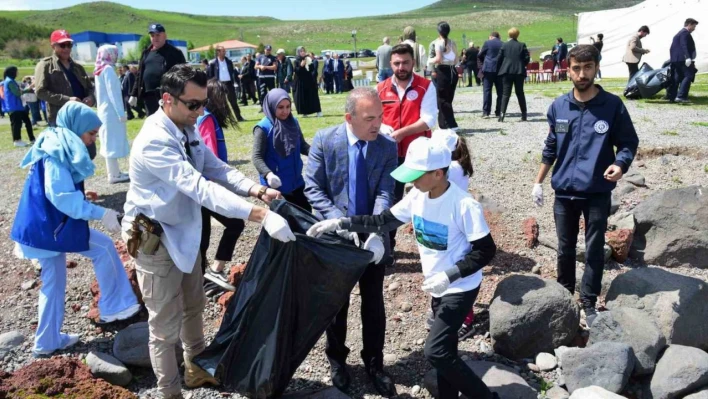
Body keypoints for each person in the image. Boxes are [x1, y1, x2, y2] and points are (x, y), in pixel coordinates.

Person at [122, 64, 296, 399]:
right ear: (167, 99)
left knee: (194, 305)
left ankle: (195, 369)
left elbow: (214, 168)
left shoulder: (184, 127)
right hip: (156, 242)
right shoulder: (154, 140)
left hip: (184, 234)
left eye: (203, 104)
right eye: (193, 104)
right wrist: (259, 215)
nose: (200, 110)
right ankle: (169, 391)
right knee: (163, 327)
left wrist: (256, 190)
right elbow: (198, 187)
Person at [307, 136, 499, 399]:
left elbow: (486, 250)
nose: (411, 181)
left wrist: (450, 274)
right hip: (437, 285)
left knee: (436, 351)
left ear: (438, 173)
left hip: (460, 288)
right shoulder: (417, 197)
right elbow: (383, 220)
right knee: (447, 350)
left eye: (417, 175)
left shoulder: (463, 204)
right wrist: (342, 223)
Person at [10, 102, 140, 357]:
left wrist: (84, 197)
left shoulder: (54, 143)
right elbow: (62, 198)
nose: (93, 140)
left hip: (41, 227)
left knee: (53, 283)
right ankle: (116, 306)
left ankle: (47, 341)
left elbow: (59, 191)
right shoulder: (57, 152)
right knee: (103, 248)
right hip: (49, 230)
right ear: (77, 127)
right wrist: (101, 213)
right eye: (91, 133)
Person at [532, 45, 639, 327]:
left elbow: (628, 142)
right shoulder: (558, 107)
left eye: (587, 67)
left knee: (593, 249)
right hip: (564, 192)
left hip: (596, 191)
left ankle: (589, 300)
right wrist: (538, 182)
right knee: (565, 248)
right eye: (576, 68)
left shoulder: (612, 106)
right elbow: (551, 146)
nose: (582, 74)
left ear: (596, 68)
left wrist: (621, 163)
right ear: (568, 70)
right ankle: (565, 295)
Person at [304, 88, 398, 397]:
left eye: (380, 117)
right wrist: (338, 223)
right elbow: (313, 187)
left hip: (372, 236)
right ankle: (337, 361)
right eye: (370, 118)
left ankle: (374, 364)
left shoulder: (385, 146)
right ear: (349, 118)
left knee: (373, 304)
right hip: (337, 238)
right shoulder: (325, 140)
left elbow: (386, 192)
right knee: (337, 305)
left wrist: (376, 230)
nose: (378, 124)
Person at [377, 43, 438, 253]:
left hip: (420, 156)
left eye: (405, 62)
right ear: (390, 64)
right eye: (396, 63)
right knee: (391, 202)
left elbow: (429, 120)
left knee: (428, 197)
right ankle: (388, 248)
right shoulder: (381, 88)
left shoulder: (425, 86)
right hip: (390, 156)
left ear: (413, 62)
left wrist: (402, 132)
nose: (401, 67)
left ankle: (433, 245)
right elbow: (376, 118)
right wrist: (383, 127)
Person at [197, 79, 244, 292]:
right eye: (222, 97)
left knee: (203, 235)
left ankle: (203, 278)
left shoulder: (206, 118)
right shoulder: (207, 119)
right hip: (206, 188)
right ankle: (212, 273)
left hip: (203, 187)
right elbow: (211, 157)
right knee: (233, 224)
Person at [34, 30, 96, 158]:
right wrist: (67, 100)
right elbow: (40, 92)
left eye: (69, 45)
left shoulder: (78, 67)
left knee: (87, 154)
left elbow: (90, 88)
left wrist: (91, 98)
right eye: (62, 45)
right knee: (67, 157)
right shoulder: (45, 65)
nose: (66, 48)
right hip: (60, 120)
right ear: (53, 46)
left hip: (81, 118)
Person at [252, 88, 312, 211]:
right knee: (281, 221)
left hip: (296, 182)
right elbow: (257, 157)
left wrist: (317, 153)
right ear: (272, 106)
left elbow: (302, 145)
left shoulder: (293, 122)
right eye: (280, 107)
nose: (285, 111)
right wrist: (268, 174)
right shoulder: (263, 128)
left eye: (288, 107)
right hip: (276, 186)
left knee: (305, 213)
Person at [129, 23, 186, 116]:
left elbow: (184, 74)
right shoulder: (146, 53)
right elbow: (139, 75)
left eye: (158, 35)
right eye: (152, 35)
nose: (155, 38)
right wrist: (134, 94)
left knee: (168, 122)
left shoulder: (175, 53)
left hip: (168, 96)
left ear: (165, 36)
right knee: (152, 124)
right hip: (149, 96)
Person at [94, 45, 130, 184]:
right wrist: (121, 113)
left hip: (105, 111)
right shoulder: (108, 70)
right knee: (111, 143)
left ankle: (115, 172)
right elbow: (113, 94)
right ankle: (114, 175)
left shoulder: (99, 70)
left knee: (108, 142)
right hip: (111, 112)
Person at [429, 22, 459, 131]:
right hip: (453, 71)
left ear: (439, 31)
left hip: (443, 70)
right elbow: (456, 60)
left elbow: (438, 59)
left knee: (442, 99)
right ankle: (443, 124)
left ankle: (450, 124)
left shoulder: (438, 43)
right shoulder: (453, 43)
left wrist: (429, 61)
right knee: (448, 99)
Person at [496, 27, 530, 122]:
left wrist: (501, 68)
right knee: (520, 93)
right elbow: (527, 58)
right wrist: (522, 64)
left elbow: (499, 59)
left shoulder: (504, 45)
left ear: (509, 34)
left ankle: (502, 116)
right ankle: (524, 115)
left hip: (506, 71)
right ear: (517, 35)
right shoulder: (522, 45)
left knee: (505, 94)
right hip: (519, 71)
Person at [206, 46, 245, 121]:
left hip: (229, 84)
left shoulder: (229, 61)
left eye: (225, 51)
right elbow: (210, 76)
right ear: (218, 52)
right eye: (223, 51)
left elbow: (232, 73)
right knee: (220, 102)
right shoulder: (213, 63)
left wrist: (235, 82)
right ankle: (223, 119)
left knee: (233, 101)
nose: (225, 52)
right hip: (219, 85)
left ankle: (239, 117)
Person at [667, 18, 699, 104]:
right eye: (694, 26)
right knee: (688, 75)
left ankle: (672, 96)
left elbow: (672, 48)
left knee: (677, 77)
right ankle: (681, 96)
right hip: (683, 59)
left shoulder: (679, 33)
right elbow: (684, 45)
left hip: (676, 59)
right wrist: (688, 57)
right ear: (689, 25)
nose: (694, 28)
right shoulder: (685, 33)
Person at [3, 67, 35, 147]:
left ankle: (32, 139)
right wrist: (29, 88)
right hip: (14, 106)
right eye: (17, 71)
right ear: (13, 72)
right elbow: (17, 93)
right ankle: (17, 140)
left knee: (27, 122)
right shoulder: (9, 81)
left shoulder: (11, 80)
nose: (18, 73)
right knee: (16, 124)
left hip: (19, 106)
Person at [478, 32, 503, 119]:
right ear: (498, 36)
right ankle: (498, 111)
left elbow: (480, 55)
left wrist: (484, 62)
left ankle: (486, 112)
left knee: (487, 91)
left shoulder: (487, 43)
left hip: (488, 69)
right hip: (500, 70)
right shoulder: (503, 43)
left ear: (491, 36)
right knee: (500, 92)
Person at [293, 47, 322, 117]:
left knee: (313, 96)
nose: (303, 52)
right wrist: (301, 66)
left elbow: (312, 69)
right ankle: (304, 112)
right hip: (300, 82)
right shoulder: (296, 61)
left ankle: (318, 111)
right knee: (302, 97)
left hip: (309, 81)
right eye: (301, 51)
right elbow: (296, 71)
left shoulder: (308, 59)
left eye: (303, 51)